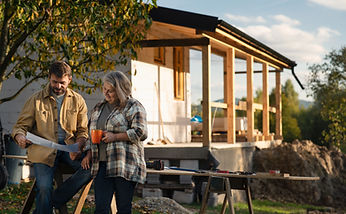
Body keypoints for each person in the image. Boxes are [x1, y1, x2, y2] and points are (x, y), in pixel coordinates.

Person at [12, 61, 92, 214]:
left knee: (90, 170)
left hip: (70, 149)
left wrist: (79, 145)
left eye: (62, 82)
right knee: (43, 187)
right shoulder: (35, 100)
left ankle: (50, 203)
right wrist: (20, 137)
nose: (58, 86)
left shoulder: (78, 100)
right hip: (44, 151)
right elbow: (20, 126)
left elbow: (83, 130)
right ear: (49, 78)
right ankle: (47, 205)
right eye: (54, 81)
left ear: (69, 79)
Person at [82, 71, 147, 214]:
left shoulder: (133, 106)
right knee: (101, 209)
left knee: (123, 208)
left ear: (120, 89)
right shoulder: (99, 107)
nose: (106, 93)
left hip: (124, 164)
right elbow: (90, 132)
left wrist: (115, 137)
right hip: (101, 164)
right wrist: (88, 153)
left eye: (110, 91)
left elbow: (141, 132)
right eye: (104, 89)